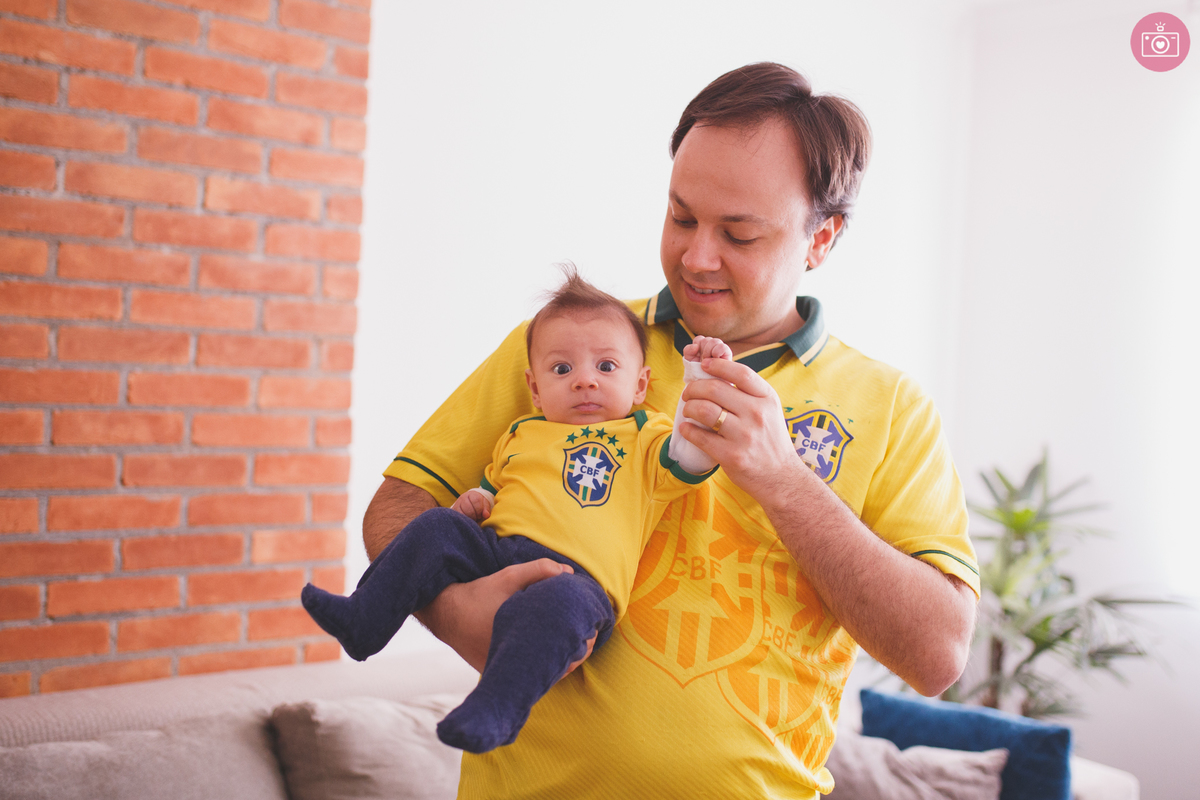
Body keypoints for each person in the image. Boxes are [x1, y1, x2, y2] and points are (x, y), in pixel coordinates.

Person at [366, 63, 980, 799]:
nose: (696, 258)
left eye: (740, 234)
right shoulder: (574, 348)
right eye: (682, 216)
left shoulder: (892, 408)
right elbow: (398, 507)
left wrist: (783, 480)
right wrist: (453, 611)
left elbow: (938, 655)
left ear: (824, 239)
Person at [303, 270, 730, 753]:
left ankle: (497, 709)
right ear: (534, 386)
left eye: (606, 367)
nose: (585, 379)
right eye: (562, 369)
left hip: (575, 579)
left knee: (550, 613)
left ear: (640, 385)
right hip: (498, 549)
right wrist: (475, 505)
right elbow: (492, 491)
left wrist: (703, 379)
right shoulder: (521, 433)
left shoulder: (645, 437)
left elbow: (693, 457)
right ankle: (366, 618)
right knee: (438, 525)